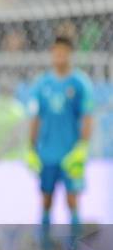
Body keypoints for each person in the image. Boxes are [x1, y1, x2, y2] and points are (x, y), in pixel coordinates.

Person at [26, 36, 93, 232]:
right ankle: (45, 248)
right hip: (47, 152)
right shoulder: (42, 84)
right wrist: (30, 147)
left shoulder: (80, 83)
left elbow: (88, 117)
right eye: (56, 53)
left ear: (70, 55)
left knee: (72, 199)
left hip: (70, 153)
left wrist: (82, 147)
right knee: (46, 199)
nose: (59, 57)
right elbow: (35, 117)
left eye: (63, 53)